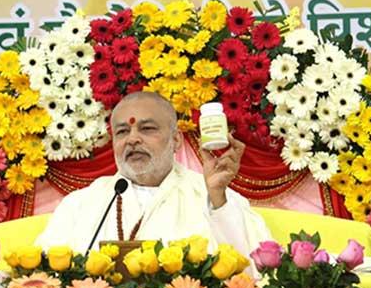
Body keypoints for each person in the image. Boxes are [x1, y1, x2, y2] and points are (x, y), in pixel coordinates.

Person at [35, 91, 270, 260]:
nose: (133, 139)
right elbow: (44, 279)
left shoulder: (212, 194)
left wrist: (218, 199)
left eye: (147, 129)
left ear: (176, 139)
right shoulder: (81, 204)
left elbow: (250, 274)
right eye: (122, 131)